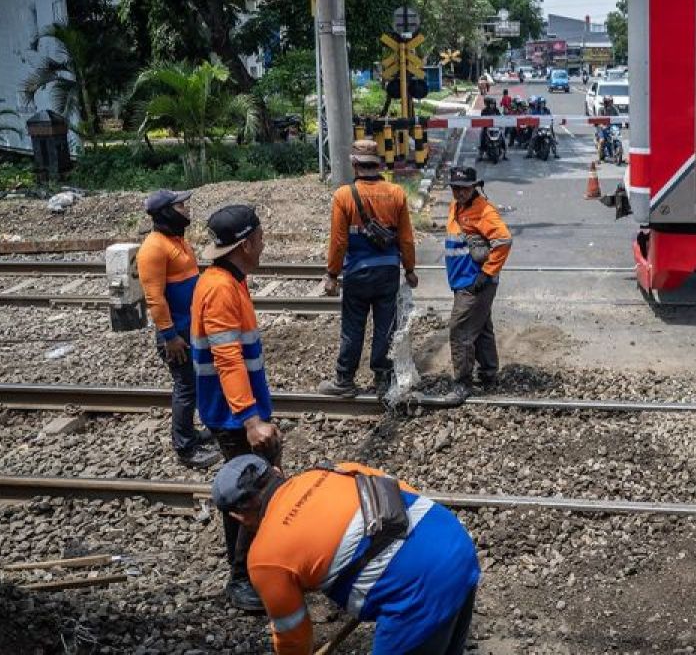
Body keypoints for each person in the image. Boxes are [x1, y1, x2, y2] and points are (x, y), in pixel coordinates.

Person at [211, 455, 480, 655]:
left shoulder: (264, 558)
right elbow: (398, 494)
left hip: (420, 591)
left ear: (238, 516)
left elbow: (293, 635)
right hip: (454, 541)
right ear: (277, 472)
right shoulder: (331, 470)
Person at [191, 204, 282, 611]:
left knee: (258, 488)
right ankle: (241, 578)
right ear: (246, 244)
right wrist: (250, 419)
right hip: (232, 415)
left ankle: (258, 565)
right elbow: (228, 359)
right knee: (246, 495)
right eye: (261, 238)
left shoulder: (230, 280)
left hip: (240, 411)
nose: (264, 245)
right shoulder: (221, 289)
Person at [319, 141, 418, 398]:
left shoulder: (344, 196)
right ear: (378, 164)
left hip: (357, 274)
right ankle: (383, 379)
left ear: (354, 164)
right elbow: (406, 238)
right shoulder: (396, 193)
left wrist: (332, 274)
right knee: (385, 326)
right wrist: (409, 268)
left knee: (353, 327)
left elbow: (339, 241)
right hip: (387, 272)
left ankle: (345, 381)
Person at [136, 189, 219, 469]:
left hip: (191, 328)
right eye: (181, 206)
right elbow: (154, 298)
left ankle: (193, 435)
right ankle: (185, 448)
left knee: (195, 384)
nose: (187, 210)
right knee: (186, 388)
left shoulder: (177, 241)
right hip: (176, 335)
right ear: (167, 212)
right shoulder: (153, 248)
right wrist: (170, 336)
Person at [441, 167, 511, 404]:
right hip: (462, 280)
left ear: (474, 187)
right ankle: (489, 373)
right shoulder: (456, 207)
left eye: (464, 188)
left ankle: (462, 383)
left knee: (460, 329)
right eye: (455, 188)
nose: (459, 192)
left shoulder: (484, 210)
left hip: (475, 283)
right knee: (480, 327)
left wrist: (487, 273)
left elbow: (503, 240)